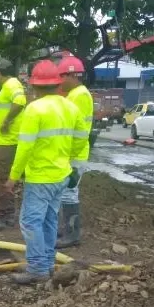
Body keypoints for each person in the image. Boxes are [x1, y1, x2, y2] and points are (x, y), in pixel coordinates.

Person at [5, 60, 90, 285]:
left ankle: (37, 269)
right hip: (61, 175)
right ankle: (49, 263)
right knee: (49, 220)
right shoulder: (70, 106)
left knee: (30, 221)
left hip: (40, 177)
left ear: (35, 85)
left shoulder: (35, 109)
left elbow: (25, 147)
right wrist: (69, 161)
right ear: (56, 83)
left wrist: (14, 176)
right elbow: (82, 137)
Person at [0, 58, 28, 233]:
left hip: (7, 142)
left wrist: (6, 122)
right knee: (3, 177)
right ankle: (8, 213)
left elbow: (20, 102)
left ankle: (1, 216)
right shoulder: (9, 86)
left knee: (1, 178)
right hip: (3, 142)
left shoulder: (12, 84)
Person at [56, 56, 93, 248]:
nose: (60, 81)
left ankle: (72, 234)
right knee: (65, 192)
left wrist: (68, 152)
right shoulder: (75, 94)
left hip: (75, 154)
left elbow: (78, 130)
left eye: (62, 76)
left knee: (69, 192)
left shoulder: (80, 95)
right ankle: (67, 230)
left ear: (71, 75)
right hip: (70, 153)